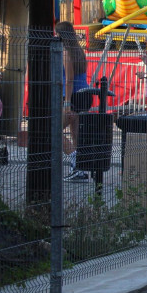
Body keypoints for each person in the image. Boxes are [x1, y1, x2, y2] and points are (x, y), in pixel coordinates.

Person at [57, 22, 90, 182]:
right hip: (84, 94)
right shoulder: (79, 52)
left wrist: (67, 102)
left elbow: (69, 80)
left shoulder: (66, 53)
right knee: (75, 134)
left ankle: (75, 158)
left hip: (73, 96)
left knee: (53, 130)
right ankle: (79, 170)